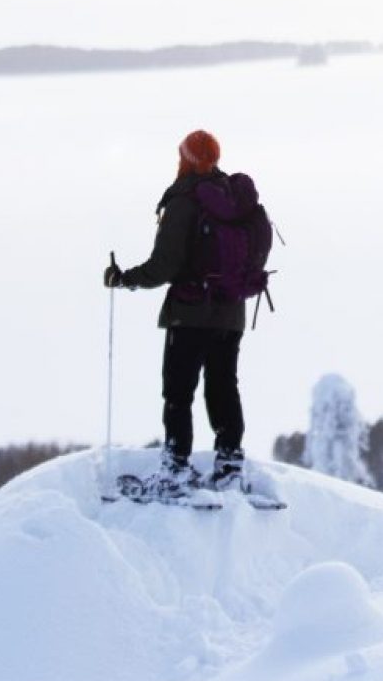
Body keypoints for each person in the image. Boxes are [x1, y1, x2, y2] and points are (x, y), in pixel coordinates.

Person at [105, 128, 267, 484]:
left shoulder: (185, 200)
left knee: (178, 392)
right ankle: (229, 462)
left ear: (187, 159)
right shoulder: (234, 198)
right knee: (224, 385)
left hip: (190, 313)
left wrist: (124, 279)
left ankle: (176, 466)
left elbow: (164, 266)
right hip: (230, 313)